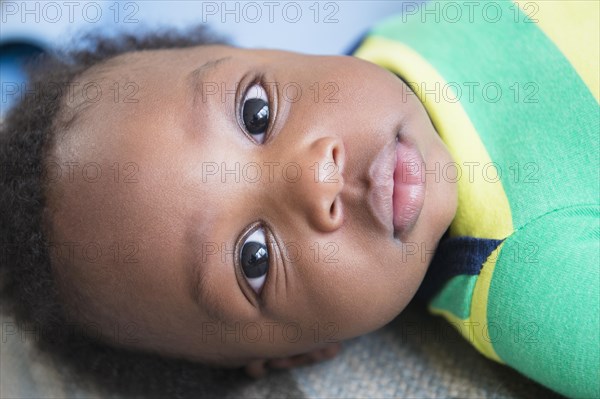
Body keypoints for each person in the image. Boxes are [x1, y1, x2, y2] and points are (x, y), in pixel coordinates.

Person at [1, 1, 597, 398]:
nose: (315, 177)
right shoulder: (534, 287)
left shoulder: (396, 36)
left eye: (256, 113)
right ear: (295, 355)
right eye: (253, 259)